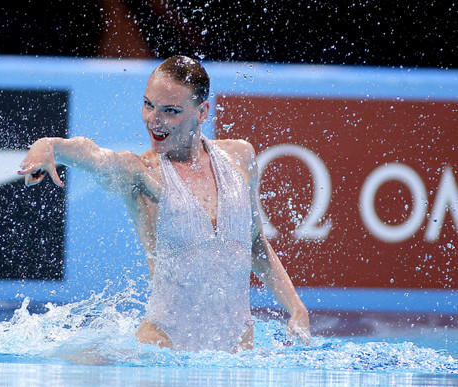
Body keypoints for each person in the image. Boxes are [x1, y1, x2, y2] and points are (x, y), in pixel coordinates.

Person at [18, 55, 310, 352]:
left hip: (238, 351)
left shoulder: (240, 157)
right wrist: (51, 146)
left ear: (202, 112)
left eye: (170, 111)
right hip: (163, 350)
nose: (154, 120)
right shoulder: (140, 173)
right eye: (148, 105)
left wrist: (297, 309)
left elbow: (255, 243)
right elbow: (97, 158)